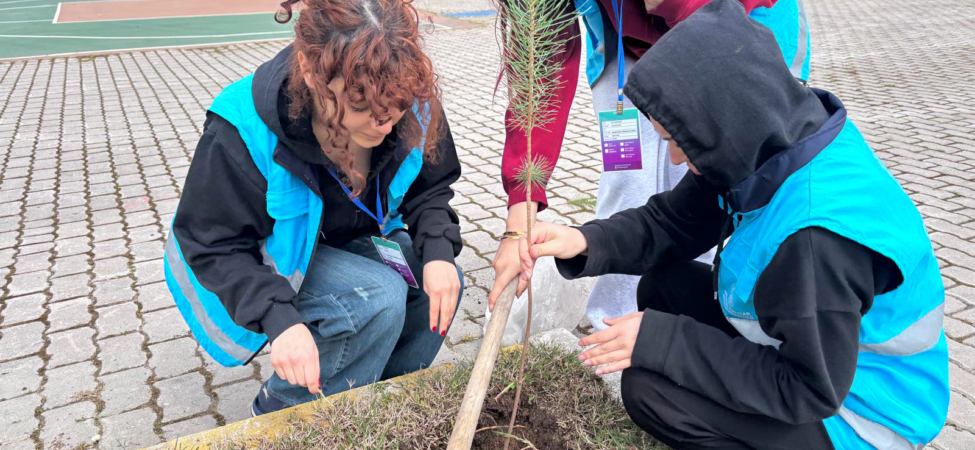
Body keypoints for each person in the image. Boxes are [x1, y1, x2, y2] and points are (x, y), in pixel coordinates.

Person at [517, 0, 949, 448]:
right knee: (663, 288)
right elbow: (671, 223)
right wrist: (582, 241)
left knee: (651, 394)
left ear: (718, 123)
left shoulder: (813, 243)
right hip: (819, 347)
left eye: (676, 141)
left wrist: (663, 342)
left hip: (862, 411)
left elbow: (808, 390)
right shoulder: (766, 142)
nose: (674, 158)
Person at [163, 0, 464, 416]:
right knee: (375, 298)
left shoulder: (404, 91)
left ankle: (383, 404)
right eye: (359, 105)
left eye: (393, 107)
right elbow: (212, 243)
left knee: (439, 278)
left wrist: (440, 252)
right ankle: (284, 413)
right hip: (262, 259)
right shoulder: (243, 125)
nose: (383, 124)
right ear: (310, 70)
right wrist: (278, 317)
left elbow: (430, 188)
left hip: (348, 235)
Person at [490, 0, 812, 331]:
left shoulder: (818, 228)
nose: (674, 155)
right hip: (623, 50)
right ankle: (616, 326)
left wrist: (664, 342)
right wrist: (527, 221)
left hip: (735, 26)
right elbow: (540, 70)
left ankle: (708, 325)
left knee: (713, 189)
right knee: (634, 184)